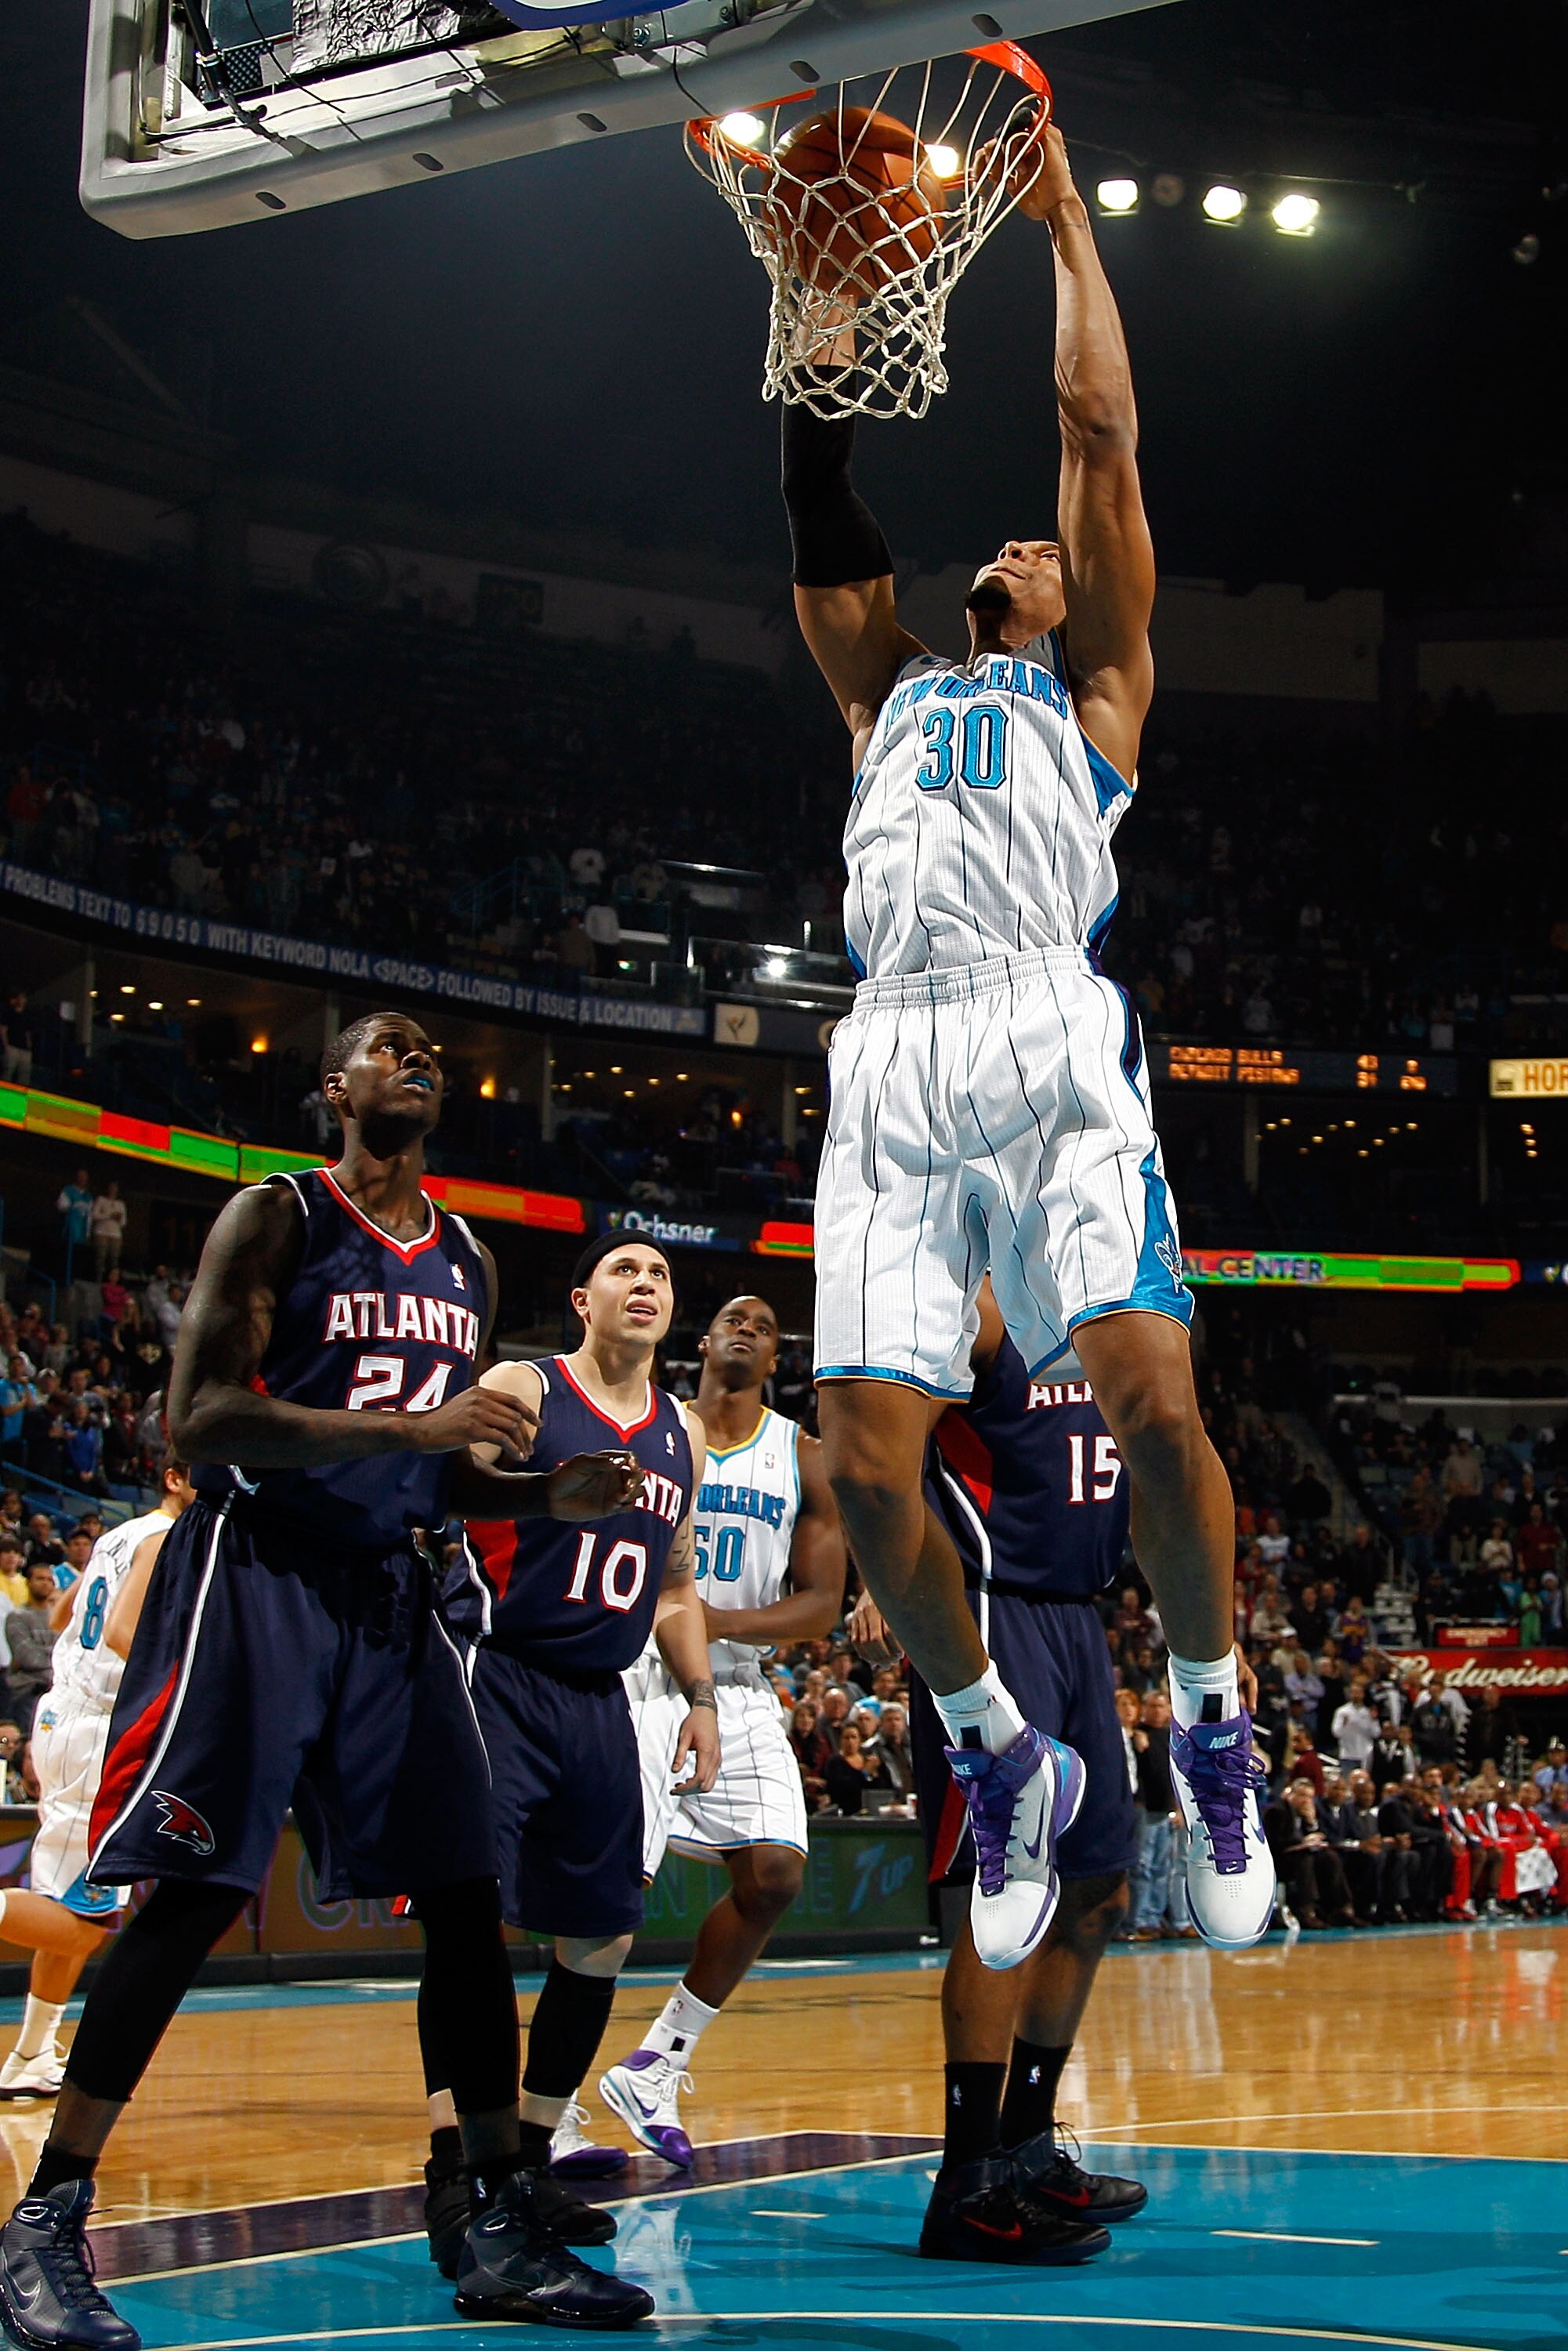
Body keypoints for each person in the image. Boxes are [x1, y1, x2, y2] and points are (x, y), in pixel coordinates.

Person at [782, 109, 1272, 1968]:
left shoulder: (1099, 695)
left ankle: (1208, 1719)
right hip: (892, 1052)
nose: (1018, 548)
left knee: (1151, 1399)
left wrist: (1062, 227)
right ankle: (997, 1753)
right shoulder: (883, 691)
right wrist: (818, 328)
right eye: (998, 553)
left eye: (1043, 553)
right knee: (868, 1467)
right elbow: (823, 515)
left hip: (1049, 1037)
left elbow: (1092, 439)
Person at [0, 1010, 655, 2348]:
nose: (413, 1058)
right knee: (186, 1901)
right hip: (255, 1574)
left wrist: (539, 1492)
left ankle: (485, 2215)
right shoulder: (277, 1214)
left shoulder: (467, 1257)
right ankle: (45, 2221)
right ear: (334, 1089)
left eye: (429, 1050)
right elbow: (202, 1417)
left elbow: (437, 1467)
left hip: (388, 1592)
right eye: (384, 1047)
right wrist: (413, 1426)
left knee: (468, 1899)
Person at [417, 1234, 719, 2288]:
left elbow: (675, 1583)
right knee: (470, 1926)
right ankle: (458, 2163)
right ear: (583, 1299)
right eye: (626, 1272)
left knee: (600, 1937)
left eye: (662, 1277)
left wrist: (701, 1697)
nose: (646, 1286)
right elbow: (439, 1488)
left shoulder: (677, 1431)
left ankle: (532, 2155)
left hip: (600, 1696)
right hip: (496, 1673)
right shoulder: (523, 1384)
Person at [864, 1277, 1146, 2266]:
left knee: (1101, 1891)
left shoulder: (1113, 1304)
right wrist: (887, 1570)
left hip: (1080, 1613)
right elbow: (879, 1444)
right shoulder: (979, 1299)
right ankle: (969, 2183)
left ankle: (1026, 2147)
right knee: (1010, 1894)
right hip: (994, 1607)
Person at [601, 1294, 846, 2169]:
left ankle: (656, 2065)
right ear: (701, 1342)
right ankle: (541, 2113)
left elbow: (820, 1603)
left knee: (775, 1872)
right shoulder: (650, 1426)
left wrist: (711, 1623)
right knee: (606, 1903)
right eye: (730, 1319)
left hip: (735, 1686)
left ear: (776, 1356)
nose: (744, 1327)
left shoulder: (804, 1456)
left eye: (762, 1324)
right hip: (636, 1674)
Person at [0, 1457, 194, 2099]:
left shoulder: (119, 1532)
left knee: (71, 1906)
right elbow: (120, 1632)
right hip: (100, 1734)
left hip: (65, 1716)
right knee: (87, 1923)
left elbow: (62, 1617)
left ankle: (31, 2056)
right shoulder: (166, 1536)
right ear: (174, 1477)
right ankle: (33, 2053)